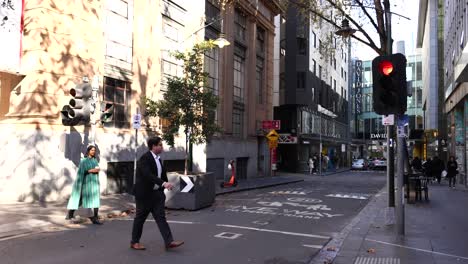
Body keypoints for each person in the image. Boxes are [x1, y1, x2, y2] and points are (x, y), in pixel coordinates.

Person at [130, 136, 184, 251]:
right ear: (153, 146)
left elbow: (160, 174)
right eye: (160, 145)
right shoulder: (144, 159)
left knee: (161, 218)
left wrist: (164, 186)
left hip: (156, 194)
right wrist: (164, 183)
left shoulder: (158, 159)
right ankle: (134, 242)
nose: (162, 147)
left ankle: (169, 242)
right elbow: (148, 175)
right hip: (144, 195)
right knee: (140, 218)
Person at [66, 145, 103, 225]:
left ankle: (95, 218)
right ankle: (70, 213)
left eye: (94, 150)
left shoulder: (95, 160)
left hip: (94, 183)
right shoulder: (84, 160)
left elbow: (97, 169)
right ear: (88, 151)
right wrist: (92, 170)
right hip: (86, 183)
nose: (93, 152)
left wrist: (92, 170)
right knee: (80, 199)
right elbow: (82, 171)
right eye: (92, 150)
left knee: (96, 200)